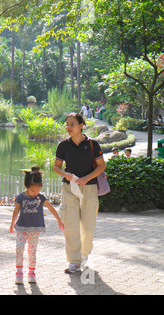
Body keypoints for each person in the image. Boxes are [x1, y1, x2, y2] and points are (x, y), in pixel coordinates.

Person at [54, 113, 106, 274]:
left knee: (88, 227)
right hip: (69, 188)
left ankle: (84, 254)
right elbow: (56, 167)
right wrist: (64, 174)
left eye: (72, 124)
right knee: (71, 226)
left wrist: (86, 178)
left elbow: (101, 166)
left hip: (89, 188)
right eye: (67, 124)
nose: (68, 127)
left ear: (81, 125)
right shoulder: (63, 145)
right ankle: (74, 261)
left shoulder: (93, 144)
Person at [10, 167, 64, 284]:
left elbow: (50, 207)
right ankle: (19, 273)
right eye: (33, 191)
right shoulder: (21, 197)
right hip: (22, 228)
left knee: (32, 251)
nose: (35, 193)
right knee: (19, 249)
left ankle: (31, 273)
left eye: (38, 190)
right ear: (26, 187)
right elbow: (16, 211)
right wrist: (12, 224)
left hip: (35, 229)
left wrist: (59, 220)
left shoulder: (40, 197)